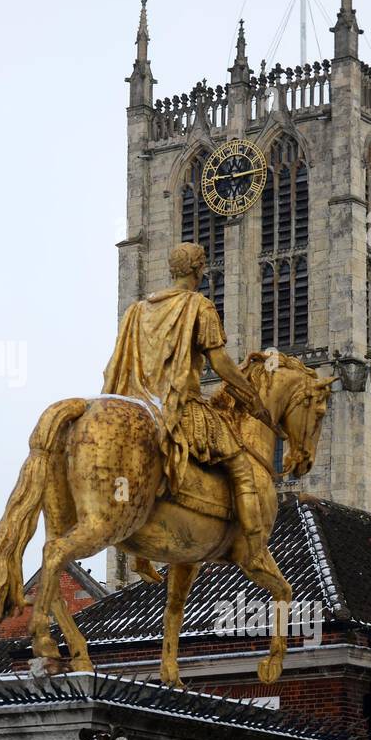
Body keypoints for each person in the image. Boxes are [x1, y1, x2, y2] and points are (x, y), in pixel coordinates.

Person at [102, 241, 275, 569]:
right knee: (240, 464)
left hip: (141, 403)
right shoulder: (200, 306)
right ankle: (254, 544)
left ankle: (141, 548)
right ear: (198, 270)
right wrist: (249, 396)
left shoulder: (139, 309)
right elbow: (221, 364)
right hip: (181, 406)